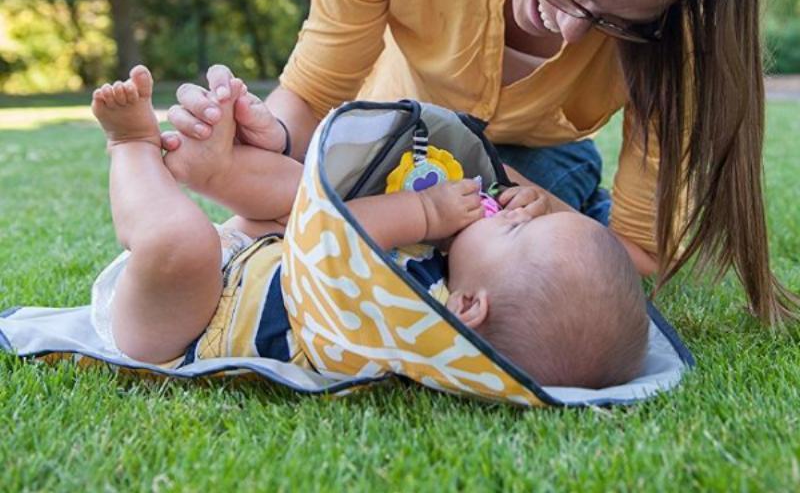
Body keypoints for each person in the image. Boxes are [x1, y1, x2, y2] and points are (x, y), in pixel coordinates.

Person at [163, 0, 797, 324]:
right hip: (381, 136)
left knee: (511, 280)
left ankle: (567, 207)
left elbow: (640, 256)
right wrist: (263, 137)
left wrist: (552, 221)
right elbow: (311, 96)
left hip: (533, 165)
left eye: (614, 22)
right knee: (307, 210)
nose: (572, 30)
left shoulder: (677, 30)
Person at [89, 65, 648, 387]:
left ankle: (131, 148)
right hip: (252, 261)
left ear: (469, 307)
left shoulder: (413, 330)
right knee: (305, 190)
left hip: (182, 325)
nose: (517, 211)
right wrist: (522, 205)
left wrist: (425, 213)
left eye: (518, 228)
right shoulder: (446, 276)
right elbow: (314, 210)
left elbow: (329, 234)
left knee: (180, 242)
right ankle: (219, 171)